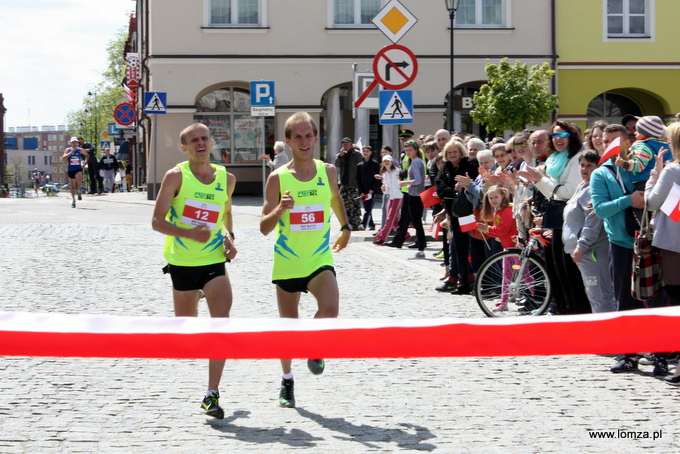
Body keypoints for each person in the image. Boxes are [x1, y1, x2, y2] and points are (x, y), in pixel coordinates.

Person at [260, 112, 351, 409]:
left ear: (316, 138)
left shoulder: (328, 171)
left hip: (318, 257)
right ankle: (287, 380)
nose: (303, 141)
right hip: (288, 261)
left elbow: (335, 198)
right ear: (287, 141)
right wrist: (280, 210)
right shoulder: (278, 178)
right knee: (288, 327)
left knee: (331, 308)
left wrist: (346, 227)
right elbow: (263, 227)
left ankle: (313, 346)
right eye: (297, 136)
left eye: (308, 135)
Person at [151, 123, 237, 419]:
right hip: (182, 264)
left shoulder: (226, 178)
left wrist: (229, 238)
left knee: (221, 326)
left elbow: (224, 214)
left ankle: (212, 394)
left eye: (204, 138)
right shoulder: (176, 176)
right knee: (186, 333)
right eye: (193, 140)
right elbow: (157, 222)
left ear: (211, 142)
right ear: (184, 148)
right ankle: (196, 295)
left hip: (214, 262)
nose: (200, 143)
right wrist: (188, 233)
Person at [590, 123, 665, 374]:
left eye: (616, 140)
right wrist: (628, 200)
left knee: (656, 299)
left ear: (628, 142)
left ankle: (661, 353)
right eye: (604, 141)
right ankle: (629, 354)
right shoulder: (601, 173)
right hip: (621, 243)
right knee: (624, 299)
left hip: (652, 241)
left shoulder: (641, 166)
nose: (610, 145)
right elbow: (600, 209)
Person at [518, 120, 588, 315]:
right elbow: (552, 193)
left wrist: (541, 180)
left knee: (569, 273)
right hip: (556, 217)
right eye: (555, 135)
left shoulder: (576, 158)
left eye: (563, 135)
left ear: (571, 138)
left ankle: (575, 313)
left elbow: (567, 192)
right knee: (555, 270)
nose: (558, 139)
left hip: (571, 219)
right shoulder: (555, 159)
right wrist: (537, 181)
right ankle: (561, 309)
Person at [646, 123, 680, 384]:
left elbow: (651, 202)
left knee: (677, 304)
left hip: (675, 247)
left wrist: (653, 176)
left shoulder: (672, 170)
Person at [562, 150, 616, 313]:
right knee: (594, 294)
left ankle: (607, 331)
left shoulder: (594, 187)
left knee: (601, 294)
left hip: (592, 250)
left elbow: (593, 221)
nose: (584, 169)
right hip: (583, 251)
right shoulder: (583, 186)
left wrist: (582, 246)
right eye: (582, 165)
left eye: (589, 166)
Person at [435, 138, 479, 295]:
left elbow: (474, 184)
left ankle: (474, 280)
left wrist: (463, 187)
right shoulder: (445, 167)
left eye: (455, 151)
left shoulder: (471, 164)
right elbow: (440, 188)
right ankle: (463, 283)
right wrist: (454, 192)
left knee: (472, 246)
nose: (452, 154)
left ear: (461, 152)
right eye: (449, 152)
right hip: (454, 214)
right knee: (459, 248)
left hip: (469, 213)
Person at [476, 185, 518, 311]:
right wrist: (486, 230)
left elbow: (504, 230)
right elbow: (497, 233)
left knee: (526, 275)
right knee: (506, 277)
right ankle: (503, 302)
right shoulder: (498, 211)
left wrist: (487, 229)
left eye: (496, 197)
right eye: (491, 198)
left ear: (503, 196)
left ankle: (534, 297)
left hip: (515, 248)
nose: (493, 200)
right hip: (507, 249)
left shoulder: (507, 210)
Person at [398, 140, 427, 259]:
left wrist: (404, 182)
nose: (408, 152)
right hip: (416, 194)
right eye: (406, 150)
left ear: (416, 150)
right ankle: (421, 247)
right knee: (416, 222)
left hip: (415, 195)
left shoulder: (416, 162)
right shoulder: (417, 161)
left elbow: (418, 180)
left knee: (417, 223)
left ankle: (421, 250)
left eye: (410, 149)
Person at [373, 155, 403, 245]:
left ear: (391, 162)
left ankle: (381, 237)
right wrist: (383, 189)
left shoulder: (397, 171)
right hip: (391, 196)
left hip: (398, 196)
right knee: (392, 219)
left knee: (390, 218)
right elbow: (386, 191)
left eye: (388, 161)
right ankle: (404, 234)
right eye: (385, 161)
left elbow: (400, 184)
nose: (386, 162)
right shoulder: (385, 174)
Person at [335, 137, 362, 230]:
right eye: (343, 144)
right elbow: (337, 164)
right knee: (344, 204)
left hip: (353, 183)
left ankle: (355, 224)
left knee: (353, 204)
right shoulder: (342, 154)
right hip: (344, 183)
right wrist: (340, 156)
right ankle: (346, 223)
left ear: (351, 144)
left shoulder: (357, 154)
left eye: (346, 144)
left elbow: (360, 167)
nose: (344, 145)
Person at [356, 145, 380, 230]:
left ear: (370, 152)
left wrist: (372, 189)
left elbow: (377, 178)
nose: (365, 153)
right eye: (364, 151)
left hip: (372, 191)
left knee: (368, 208)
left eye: (367, 151)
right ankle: (372, 224)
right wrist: (360, 191)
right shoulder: (359, 165)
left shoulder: (375, 164)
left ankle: (363, 224)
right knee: (367, 207)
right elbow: (358, 179)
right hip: (364, 190)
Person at [62, 137, 87, 208]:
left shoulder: (80, 150)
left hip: (78, 168)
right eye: (73, 142)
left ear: (77, 143)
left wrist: (85, 162)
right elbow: (63, 158)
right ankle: (73, 200)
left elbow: (87, 155)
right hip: (71, 169)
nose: (74, 144)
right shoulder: (68, 149)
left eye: (75, 142)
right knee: (72, 187)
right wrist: (71, 152)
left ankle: (79, 191)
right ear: (71, 143)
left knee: (79, 181)